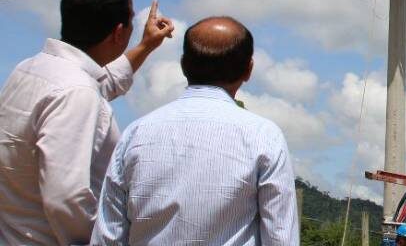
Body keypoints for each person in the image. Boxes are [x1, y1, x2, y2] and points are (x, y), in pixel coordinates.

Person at [91, 16, 298, 245]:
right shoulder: (264, 136)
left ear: (183, 65)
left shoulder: (136, 134)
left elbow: (107, 236)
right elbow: (280, 238)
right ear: (248, 70)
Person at [0, 0, 174, 246]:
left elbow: (100, 83)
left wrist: (146, 45)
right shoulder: (76, 92)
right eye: (131, 21)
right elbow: (66, 197)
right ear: (118, 32)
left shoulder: (32, 69)